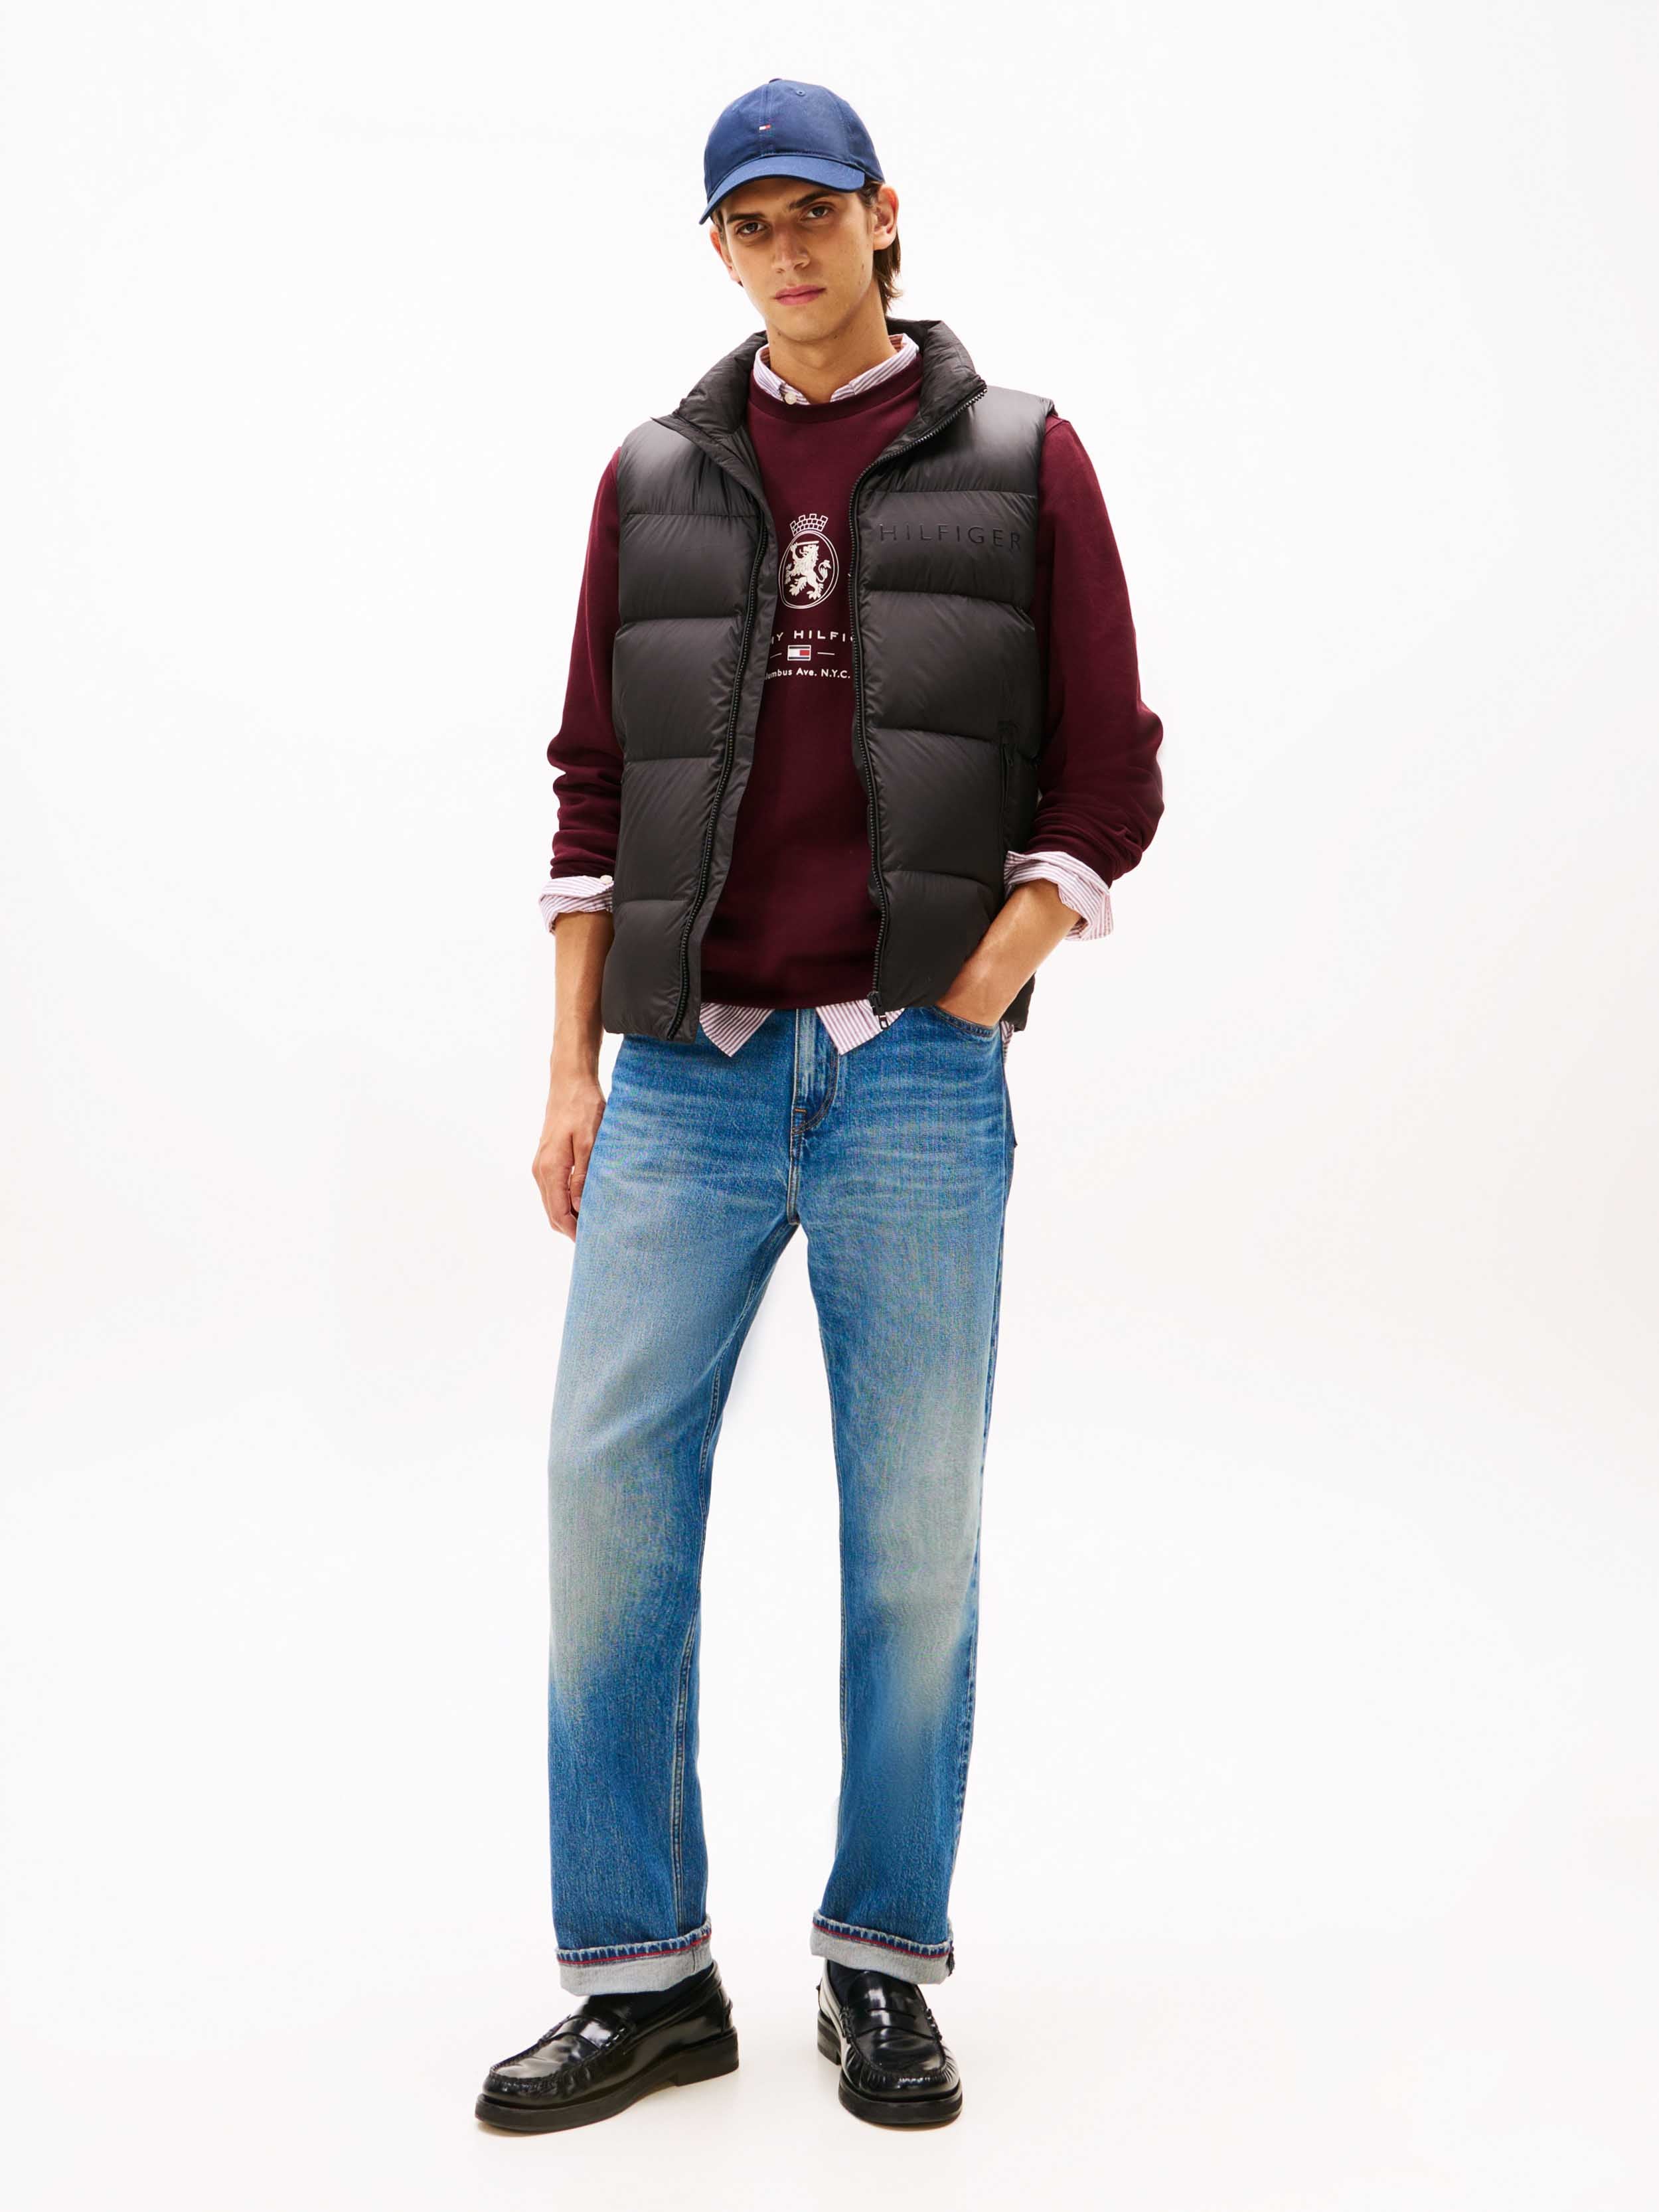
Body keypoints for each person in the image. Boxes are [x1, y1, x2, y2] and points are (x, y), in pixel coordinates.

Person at [475, 75, 1164, 2136]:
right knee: (606, 1508)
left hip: (909, 1080)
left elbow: (1109, 768)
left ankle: (881, 1961)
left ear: (882, 216)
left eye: (812, 212)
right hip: (682, 1078)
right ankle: (642, 1980)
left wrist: (977, 982)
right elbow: (592, 782)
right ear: (719, 249)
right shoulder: (652, 475)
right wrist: (571, 1061)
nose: (784, 251)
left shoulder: (1021, 456)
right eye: (746, 223)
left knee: (912, 1543)